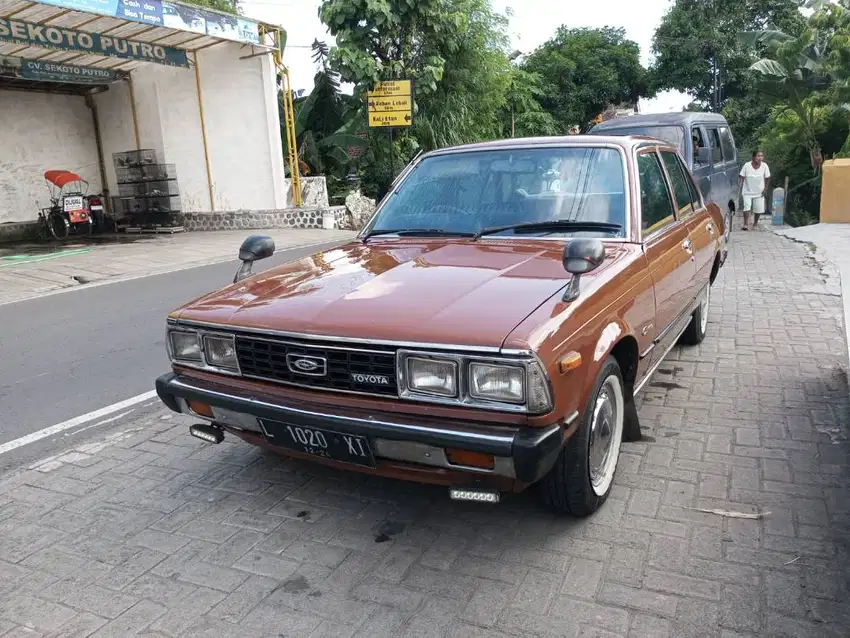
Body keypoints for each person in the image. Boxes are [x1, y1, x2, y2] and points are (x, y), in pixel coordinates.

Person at [739, 150, 771, 230]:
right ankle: (745, 224)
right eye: (758, 156)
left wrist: (765, 189)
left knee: (758, 208)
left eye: (762, 156)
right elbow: (741, 176)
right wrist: (740, 185)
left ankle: (755, 224)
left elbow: (768, 177)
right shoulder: (747, 165)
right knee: (747, 207)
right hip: (747, 190)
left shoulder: (764, 166)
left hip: (759, 191)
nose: (760, 158)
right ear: (753, 157)